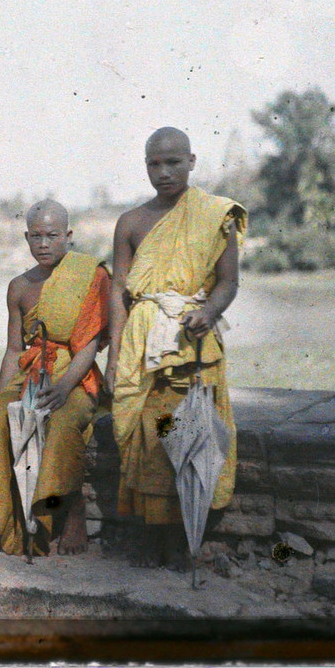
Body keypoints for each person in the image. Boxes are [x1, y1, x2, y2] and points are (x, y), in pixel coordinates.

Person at [107, 128, 246, 567]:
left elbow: (228, 282)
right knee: (149, 436)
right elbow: (118, 290)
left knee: (191, 434)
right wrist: (114, 355)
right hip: (143, 342)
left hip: (191, 341)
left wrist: (209, 311)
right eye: (155, 164)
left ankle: (185, 539)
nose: (164, 172)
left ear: (192, 161)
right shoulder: (131, 222)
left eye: (173, 162)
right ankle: (154, 537)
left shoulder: (215, 215)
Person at [0, 200, 109, 556]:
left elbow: (90, 345)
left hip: (75, 375)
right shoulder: (19, 286)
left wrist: (64, 388)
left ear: (68, 235)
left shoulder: (90, 275)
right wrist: (1, 399)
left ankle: (71, 509)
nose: (44, 244)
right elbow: (13, 350)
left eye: (52, 235)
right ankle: (3, 517)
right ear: (26, 238)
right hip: (31, 371)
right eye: (36, 236)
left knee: (62, 424)